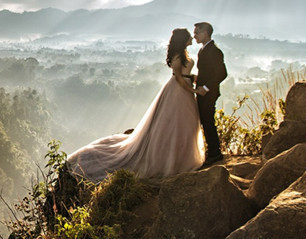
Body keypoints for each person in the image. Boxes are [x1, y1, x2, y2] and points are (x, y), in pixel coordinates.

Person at [67, 28, 205, 182]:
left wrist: (192, 79)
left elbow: (184, 75)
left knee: (185, 123)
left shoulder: (183, 53)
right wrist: (192, 89)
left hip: (183, 89)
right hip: (179, 91)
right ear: (183, 39)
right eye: (189, 36)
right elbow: (178, 77)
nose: (192, 38)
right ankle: (173, 160)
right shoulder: (179, 56)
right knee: (177, 123)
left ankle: (181, 157)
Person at [193, 21, 227, 166]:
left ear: (205, 33)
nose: (194, 36)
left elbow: (222, 74)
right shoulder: (203, 49)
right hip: (202, 91)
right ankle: (212, 151)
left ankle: (215, 153)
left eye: (197, 33)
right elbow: (206, 72)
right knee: (205, 121)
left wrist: (205, 88)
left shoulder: (214, 51)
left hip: (208, 93)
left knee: (208, 122)